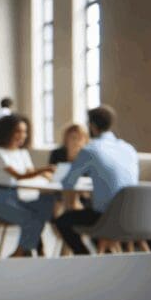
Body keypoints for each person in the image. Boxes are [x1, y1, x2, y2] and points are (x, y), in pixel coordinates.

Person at [53, 105, 139, 255]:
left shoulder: (91, 149)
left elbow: (67, 182)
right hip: (135, 215)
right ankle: (104, 255)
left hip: (106, 217)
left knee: (62, 221)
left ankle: (85, 257)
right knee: (89, 211)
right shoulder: (129, 148)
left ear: (92, 126)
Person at [0, 114, 56, 257]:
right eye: (18, 131)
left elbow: (30, 172)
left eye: (25, 131)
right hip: (1, 199)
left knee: (45, 207)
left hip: (16, 197)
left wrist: (49, 176)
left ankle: (30, 249)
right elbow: (19, 176)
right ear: (8, 132)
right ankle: (19, 253)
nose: (23, 135)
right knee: (31, 220)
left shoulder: (22, 153)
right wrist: (44, 169)